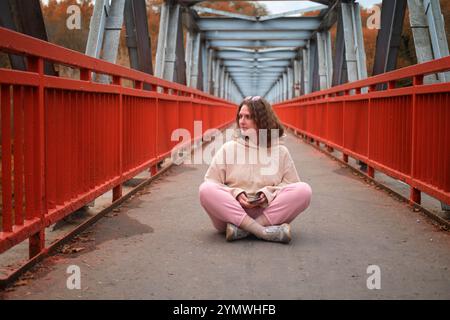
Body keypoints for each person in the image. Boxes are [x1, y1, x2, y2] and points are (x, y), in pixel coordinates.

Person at [198, 96, 312, 244]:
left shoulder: (280, 151)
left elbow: (290, 185)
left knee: (304, 190)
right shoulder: (229, 148)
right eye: (240, 116)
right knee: (205, 189)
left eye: (248, 117)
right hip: (231, 213)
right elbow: (212, 182)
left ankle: (244, 230)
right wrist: (236, 193)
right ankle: (262, 231)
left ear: (262, 120)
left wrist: (269, 193)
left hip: (267, 212)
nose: (242, 121)